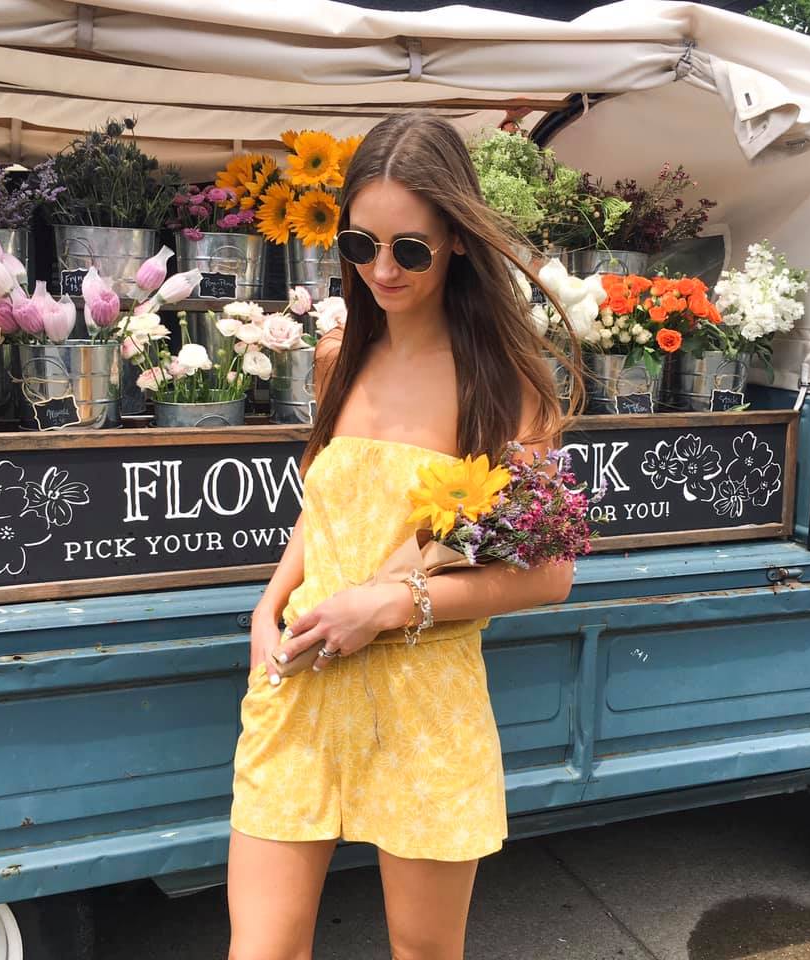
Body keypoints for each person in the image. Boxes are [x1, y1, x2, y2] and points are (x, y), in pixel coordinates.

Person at [226, 111, 582, 960]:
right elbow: (330, 502)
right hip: (302, 685)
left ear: (456, 240)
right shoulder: (338, 354)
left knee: (423, 953)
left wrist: (388, 605)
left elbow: (548, 576)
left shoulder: (506, 385)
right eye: (360, 245)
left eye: (410, 250)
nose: (382, 270)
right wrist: (268, 602)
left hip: (426, 701)